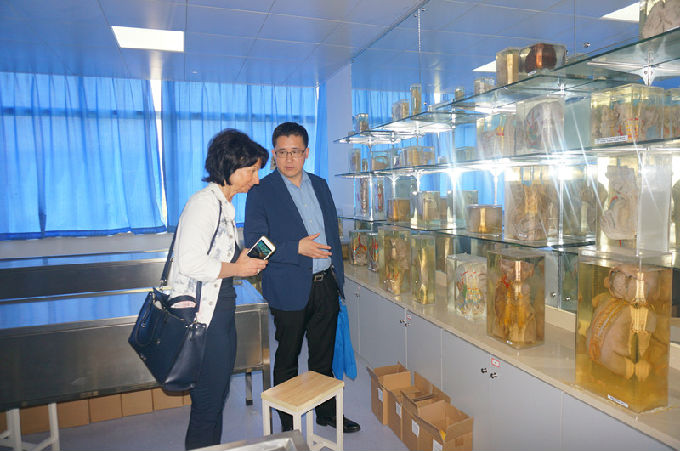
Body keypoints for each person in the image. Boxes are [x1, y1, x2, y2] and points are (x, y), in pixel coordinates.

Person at [244, 122, 360, 433]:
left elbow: (332, 232)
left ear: (306, 153)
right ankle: (289, 424)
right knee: (287, 359)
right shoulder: (261, 190)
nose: (288, 159)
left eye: (295, 152)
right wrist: (296, 248)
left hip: (325, 285)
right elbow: (255, 245)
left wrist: (337, 279)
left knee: (323, 358)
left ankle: (326, 413)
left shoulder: (320, 185)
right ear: (274, 154)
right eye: (282, 152)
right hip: (287, 288)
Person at [167, 129, 269, 450]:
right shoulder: (204, 205)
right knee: (207, 404)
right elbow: (190, 263)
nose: (256, 179)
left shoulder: (224, 206)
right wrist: (239, 269)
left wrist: (240, 260)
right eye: (251, 170)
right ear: (230, 166)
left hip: (219, 313)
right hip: (204, 322)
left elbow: (214, 260)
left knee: (216, 396)